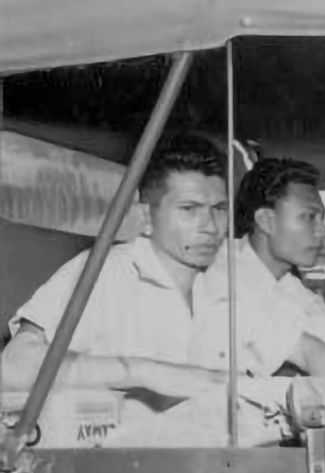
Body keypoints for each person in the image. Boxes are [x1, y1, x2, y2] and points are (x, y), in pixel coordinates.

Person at [1, 134, 232, 399]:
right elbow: (13, 367)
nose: (211, 227)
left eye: (219, 209)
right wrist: (144, 372)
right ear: (145, 216)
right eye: (189, 209)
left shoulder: (229, 276)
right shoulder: (102, 272)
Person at [192, 157, 325, 377]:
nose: (322, 231)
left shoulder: (294, 290)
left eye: (321, 219)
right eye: (309, 217)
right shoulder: (219, 273)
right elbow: (312, 355)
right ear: (266, 220)